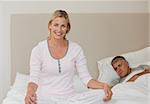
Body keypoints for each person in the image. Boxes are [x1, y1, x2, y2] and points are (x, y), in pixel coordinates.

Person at [25, 10, 112, 104]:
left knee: (102, 94)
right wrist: (29, 93)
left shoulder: (76, 49)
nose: (59, 29)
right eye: (56, 25)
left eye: (63, 26)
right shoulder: (38, 50)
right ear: (50, 25)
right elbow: (33, 80)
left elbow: (86, 79)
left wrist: (103, 86)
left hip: (69, 99)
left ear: (67, 28)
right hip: (45, 99)